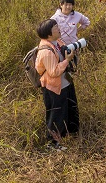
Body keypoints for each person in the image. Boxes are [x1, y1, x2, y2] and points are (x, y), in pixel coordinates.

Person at [35, 19, 79, 150]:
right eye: (55, 27)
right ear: (49, 34)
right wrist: (67, 60)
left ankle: (70, 135)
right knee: (56, 116)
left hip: (65, 83)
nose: (58, 28)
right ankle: (53, 144)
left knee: (71, 109)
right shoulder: (46, 51)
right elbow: (54, 72)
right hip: (54, 88)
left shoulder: (58, 42)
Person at [51, 0, 90, 71]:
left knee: (75, 66)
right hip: (60, 48)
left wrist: (77, 31)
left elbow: (86, 22)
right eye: (66, 4)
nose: (68, 7)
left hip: (74, 46)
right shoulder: (55, 18)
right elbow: (49, 32)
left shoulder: (77, 15)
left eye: (70, 5)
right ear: (61, 5)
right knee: (63, 67)